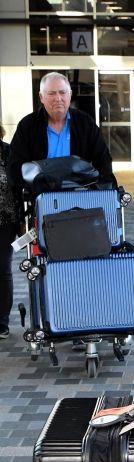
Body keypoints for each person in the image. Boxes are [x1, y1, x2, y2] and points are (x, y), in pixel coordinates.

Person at [7, 72, 114, 195]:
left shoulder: (85, 123)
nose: (58, 98)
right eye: (51, 93)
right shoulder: (27, 126)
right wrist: (28, 192)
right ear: (41, 97)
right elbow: (15, 167)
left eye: (62, 92)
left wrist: (96, 192)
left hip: (79, 195)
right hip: (41, 197)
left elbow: (103, 161)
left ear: (70, 95)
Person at [0, 123, 20, 339]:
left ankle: (2, 323)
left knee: (2, 268)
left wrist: (23, 220)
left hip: (5, 220)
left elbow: (17, 186)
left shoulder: (7, 152)